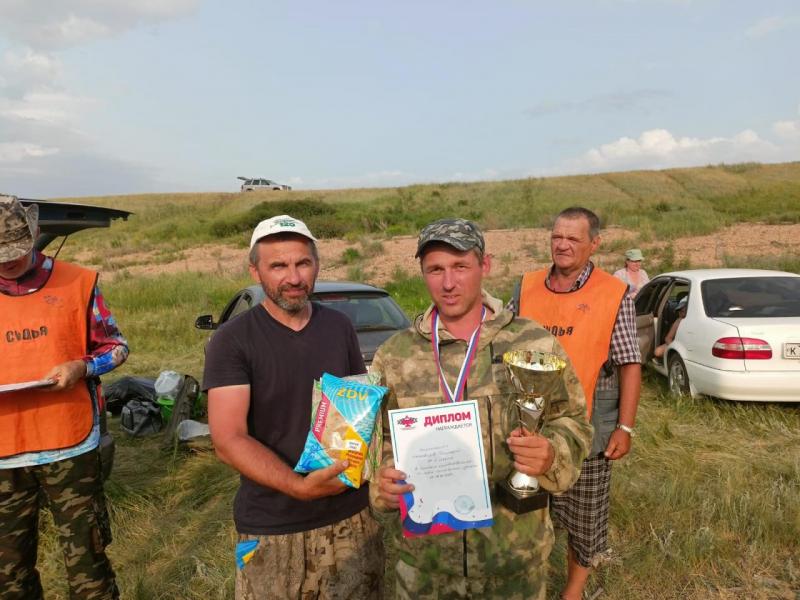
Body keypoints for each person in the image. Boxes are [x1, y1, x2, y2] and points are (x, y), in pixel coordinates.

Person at [370, 218, 592, 599]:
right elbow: (378, 439)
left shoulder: (532, 342)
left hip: (513, 564)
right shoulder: (395, 355)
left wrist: (551, 454)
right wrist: (382, 481)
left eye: (460, 266)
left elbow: (573, 421)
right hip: (426, 569)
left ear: (485, 265)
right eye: (435, 269)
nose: (448, 283)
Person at [204, 215, 383, 600]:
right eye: (278, 266)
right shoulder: (232, 340)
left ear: (317, 265)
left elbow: (358, 408)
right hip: (274, 526)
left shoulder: (339, 327)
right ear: (255, 271)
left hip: (352, 517)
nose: (294, 277)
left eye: (303, 263)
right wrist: (298, 487)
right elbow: (228, 439)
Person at [0, 194, 128, 600]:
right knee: (8, 573)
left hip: (69, 444)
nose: (8, 261)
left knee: (88, 564)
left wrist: (82, 367)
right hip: (3, 452)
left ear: (34, 233)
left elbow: (117, 347)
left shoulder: (78, 282)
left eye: (16, 250)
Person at [516, 207, 642, 600]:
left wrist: (624, 427)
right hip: (528, 429)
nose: (563, 245)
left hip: (586, 430)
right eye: (557, 236)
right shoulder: (526, 286)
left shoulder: (614, 293)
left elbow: (629, 364)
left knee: (583, 521)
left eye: (573, 238)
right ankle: (526, 581)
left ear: (594, 244)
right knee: (523, 514)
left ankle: (573, 590)